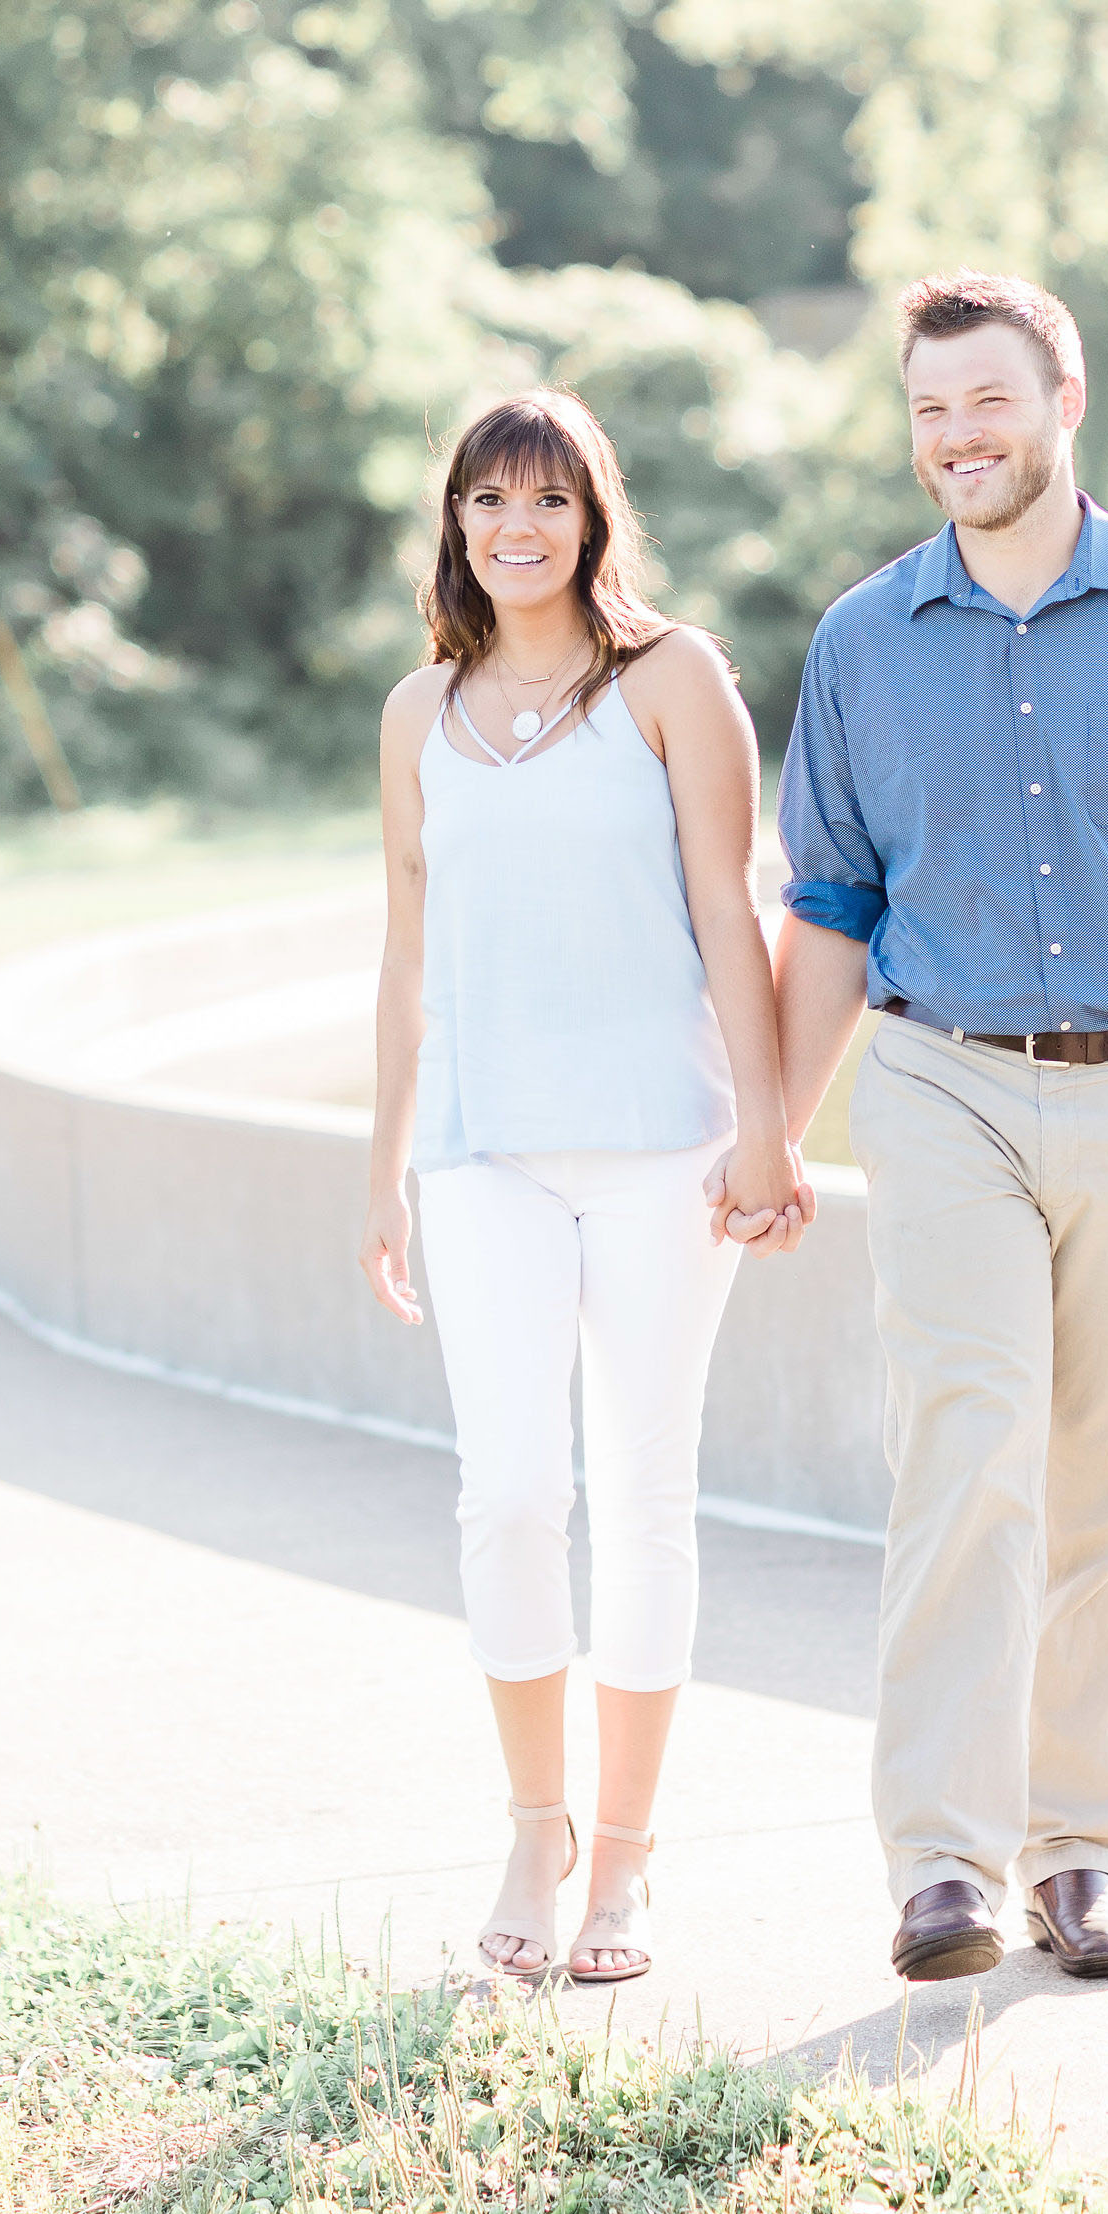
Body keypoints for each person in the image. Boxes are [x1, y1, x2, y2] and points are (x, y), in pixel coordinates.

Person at [769, 269, 1108, 1985]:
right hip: (939, 1088)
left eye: (988, 402)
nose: (957, 437)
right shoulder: (866, 641)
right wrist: (771, 1134)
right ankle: (943, 1859)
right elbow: (833, 902)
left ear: (1063, 403)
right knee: (970, 1446)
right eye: (931, 410)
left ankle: (1078, 1854)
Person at [360, 387, 811, 1985]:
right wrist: (385, 1169)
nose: (516, 529)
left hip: (663, 1151)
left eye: (547, 500)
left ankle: (625, 1864)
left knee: (641, 1495)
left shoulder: (672, 682)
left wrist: (770, 1128)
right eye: (487, 500)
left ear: (593, 516)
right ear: (456, 525)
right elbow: (412, 953)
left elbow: (730, 910)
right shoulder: (420, 713)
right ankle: (532, 1829)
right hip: (481, 1156)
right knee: (507, 1496)